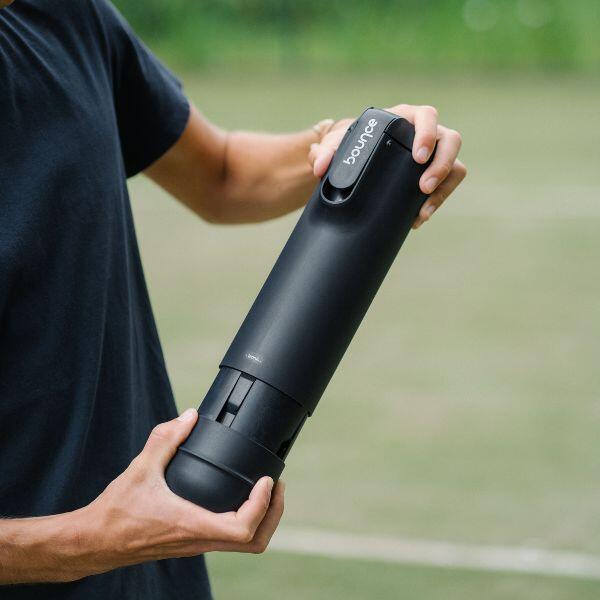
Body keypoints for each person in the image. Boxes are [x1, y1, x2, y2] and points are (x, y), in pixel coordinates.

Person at [0, 0, 466, 597]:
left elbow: (220, 173)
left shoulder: (58, 14)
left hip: (153, 571)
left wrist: (356, 148)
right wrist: (89, 541)